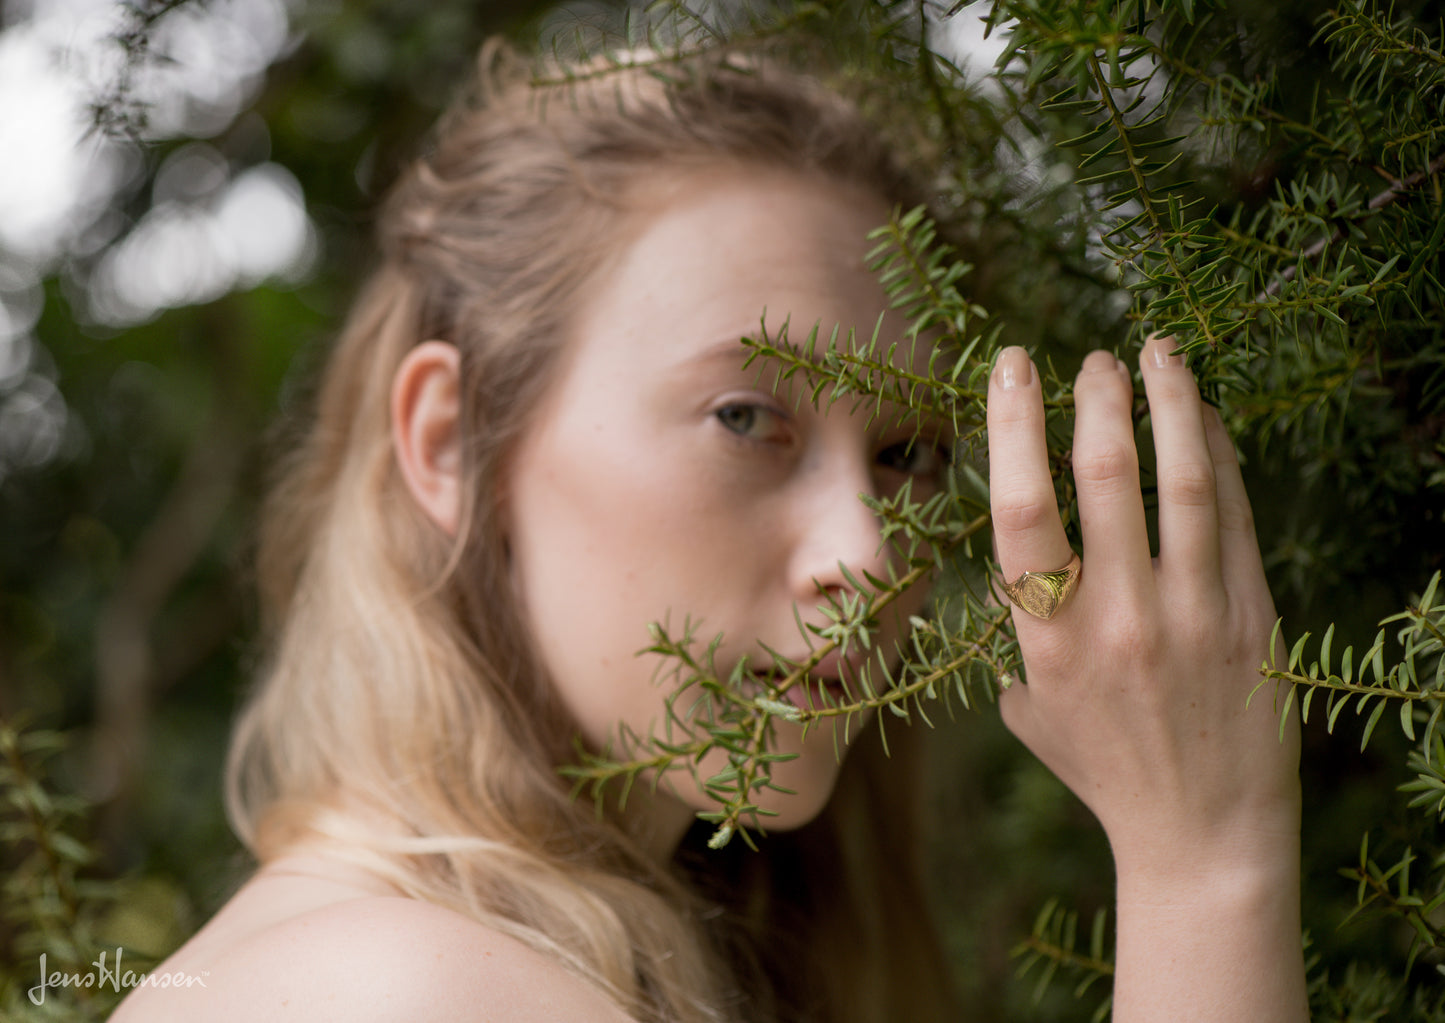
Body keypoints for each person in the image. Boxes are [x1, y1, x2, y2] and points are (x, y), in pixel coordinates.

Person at [111, 36, 1307, 1023]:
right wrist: (1202, 864)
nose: (869, 558)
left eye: (907, 456)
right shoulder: (410, 990)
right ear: (449, 438)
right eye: (745, 417)